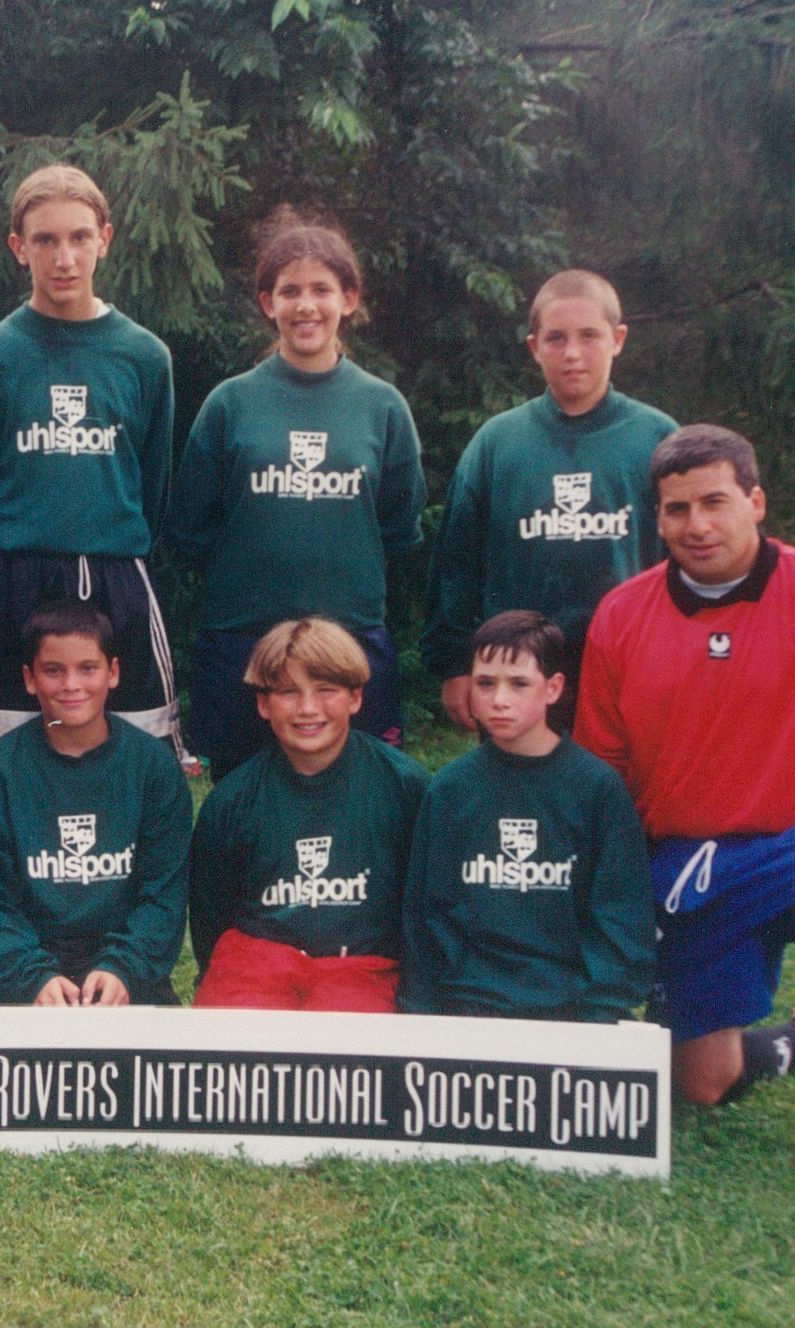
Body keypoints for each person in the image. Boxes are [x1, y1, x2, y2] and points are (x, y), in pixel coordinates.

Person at [577, 424, 795, 1197]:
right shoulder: (622, 614)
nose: (696, 525)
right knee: (700, 1084)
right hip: (690, 861)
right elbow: (602, 768)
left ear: (756, 502)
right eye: (677, 509)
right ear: (658, 517)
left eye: (715, 502)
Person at [0, 163, 184, 760]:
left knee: (134, 750)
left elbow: (153, 487)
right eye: (45, 240)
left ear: (105, 239)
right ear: (19, 248)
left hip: (116, 575)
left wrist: (114, 544)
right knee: (9, 755)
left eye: (79, 237)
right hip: (16, 578)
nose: (64, 258)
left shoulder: (144, 356)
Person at [168, 216, 425, 774]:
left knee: (361, 792)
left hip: (350, 637)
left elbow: (399, 529)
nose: (306, 306)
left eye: (321, 290)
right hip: (243, 639)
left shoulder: (382, 407)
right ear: (268, 302)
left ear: (348, 299)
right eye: (290, 291)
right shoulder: (230, 404)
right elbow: (190, 529)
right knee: (243, 793)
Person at [422, 270, 676, 730]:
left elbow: (685, 558)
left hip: (630, 669)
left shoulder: (656, 438)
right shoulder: (498, 442)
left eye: (589, 336)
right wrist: (454, 664)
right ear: (534, 346)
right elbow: (456, 563)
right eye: (556, 338)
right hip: (520, 674)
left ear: (618, 339)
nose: (573, 353)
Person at [400, 611, 653, 1023]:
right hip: (470, 1006)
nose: (499, 699)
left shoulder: (596, 788)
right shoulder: (451, 788)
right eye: (486, 683)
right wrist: (424, 1010)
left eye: (519, 684)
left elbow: (621, 915)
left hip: (571, 1009)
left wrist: (601, 1010)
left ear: (553, 688)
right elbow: (425, 916)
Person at [0, 599, 191, 1005]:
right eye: (53, 670)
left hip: (119, 969)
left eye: (87, 668)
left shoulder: (154, 768)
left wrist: (123, 968)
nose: (71, 685)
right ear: (30, 679)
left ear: (113, 672)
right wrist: (32, 977)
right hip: (17, 969)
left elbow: (163, 896)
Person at [189, 618, 428, 1010]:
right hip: (260, 969)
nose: (308, 709)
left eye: (326, 690)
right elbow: (210, 917)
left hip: (364, 969)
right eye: (288, 692)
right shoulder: (233, 801)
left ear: (355, 697)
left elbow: (425, 908)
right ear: (263, 704)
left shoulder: (404, 787)